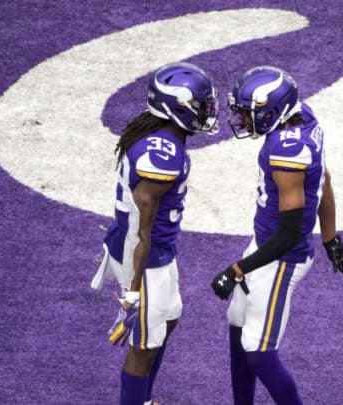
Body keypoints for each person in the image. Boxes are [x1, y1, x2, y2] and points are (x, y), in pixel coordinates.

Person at [210, 66, 343, 405]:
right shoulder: (303, 117)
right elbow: (324, 180)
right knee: (237, 324)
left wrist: (237, 269)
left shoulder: (286, 151)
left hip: (282, 257)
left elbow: (290, 234)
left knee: (259, 352)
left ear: (273, 111)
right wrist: (331, 238)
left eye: (249, 114)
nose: (243, 120)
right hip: (268, 243)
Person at [92, 61, 219, 405]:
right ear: (176, 106)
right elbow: (141, 230)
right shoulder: (163, 153)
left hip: (155, 252)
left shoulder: (161, 140)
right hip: (144, 258)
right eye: (200, 104)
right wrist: (133, 293)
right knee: (143, 346)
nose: (206, 111)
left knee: (168, 320)